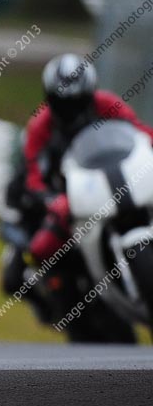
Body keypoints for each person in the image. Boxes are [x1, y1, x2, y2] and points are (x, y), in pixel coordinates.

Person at [19, 54, 153, 337]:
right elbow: (32, 174)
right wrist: (49, 199)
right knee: (42, 250)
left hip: (115, 180)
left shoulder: (107, 104)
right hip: (70, 194)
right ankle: (59, 301)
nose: (71, 112)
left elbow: (139, 132)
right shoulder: (40, 127)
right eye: (63, 105)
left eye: (77, 104)